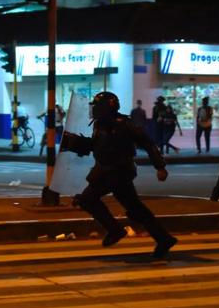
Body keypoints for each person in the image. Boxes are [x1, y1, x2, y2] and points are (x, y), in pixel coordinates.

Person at [60, 91, 178, 258]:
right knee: (135, 208)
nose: (95, 110)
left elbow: (147, 143)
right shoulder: (98, 124)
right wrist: (75, 143)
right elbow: (96, 146)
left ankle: (116, 230)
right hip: (105, 170)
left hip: (119, 171)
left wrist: (160, 167)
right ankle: (164, 239)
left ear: (108, 108)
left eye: (98, 107)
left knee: (88, 199)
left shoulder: (124, 124)